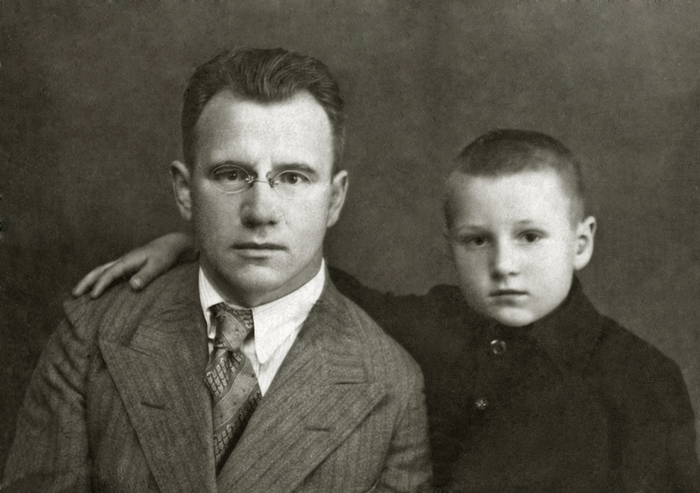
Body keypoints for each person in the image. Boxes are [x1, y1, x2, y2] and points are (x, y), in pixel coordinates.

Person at [77, 129, 700, 492]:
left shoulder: (641, 382)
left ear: (581, 243)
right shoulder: (436, 323)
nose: (503, 264)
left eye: (530, 238)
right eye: (477, 241)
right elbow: (329, 287)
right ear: (450, 246)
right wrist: (196, 245)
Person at [2, 47, 432, 493]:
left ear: (335, 199)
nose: (261, 211)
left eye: (293, 178)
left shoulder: (392, 387)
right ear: (185, 191)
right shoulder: (90, 337)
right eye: (231, 174)